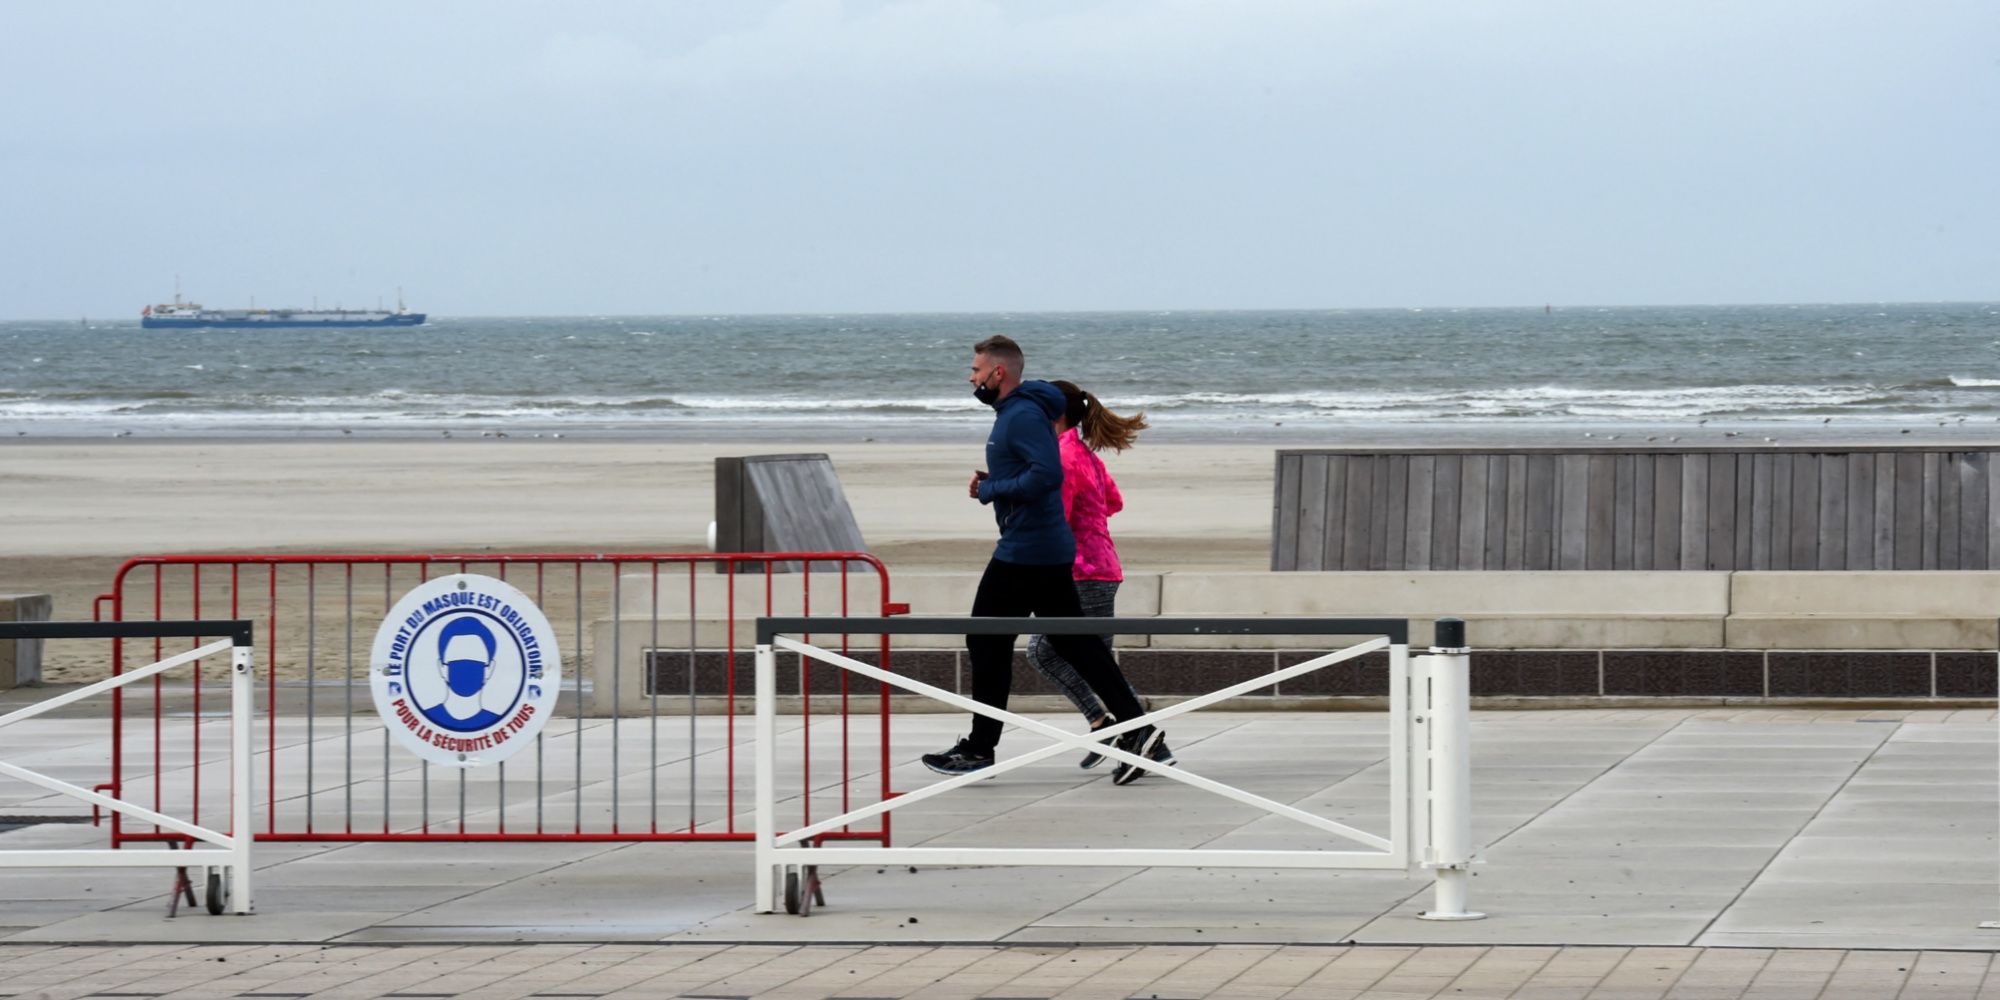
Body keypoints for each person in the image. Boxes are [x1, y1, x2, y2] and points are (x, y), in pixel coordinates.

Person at [920, 336, 1166, 785]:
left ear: (998, 372)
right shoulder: (1021, 413)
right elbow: (1042, 474)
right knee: (1076, 645)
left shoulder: (1021, 415)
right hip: (1042, 548)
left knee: (987, 640)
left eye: (976, 369)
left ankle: (980, 748)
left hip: (1027, 550)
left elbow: (1048, 475)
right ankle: (1139, 730)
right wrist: (1001, 481)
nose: (970, 377)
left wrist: (992, 489)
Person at [1024, 380, 1173, 770]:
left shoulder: (1062, 457)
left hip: (1083, 572)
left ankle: (1132, 735)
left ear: (1052, 412)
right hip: (1099, 567)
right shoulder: (1082, 454)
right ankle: (1116, 729)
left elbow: (1056, 516)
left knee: (1051, 654)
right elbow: (1113, 501)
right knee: (1094, 664)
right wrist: (1088, 521)